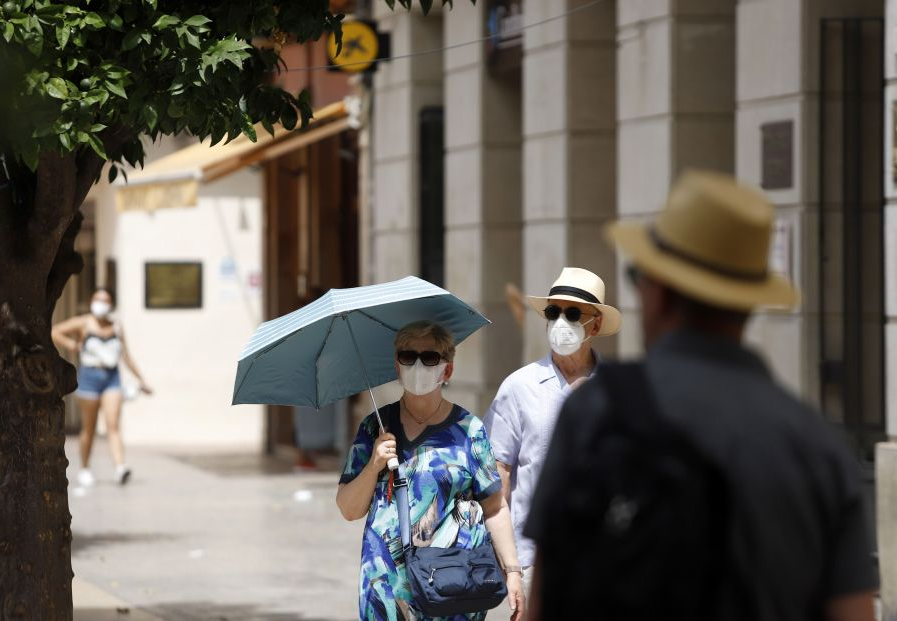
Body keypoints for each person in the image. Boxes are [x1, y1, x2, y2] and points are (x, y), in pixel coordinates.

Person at [525, 170, 878, 620]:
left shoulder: (597, 410)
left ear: (659, 293)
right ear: (747, 301)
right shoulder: (819, 449)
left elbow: (548, 596)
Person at [336, 320, 525, 621]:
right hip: (386, 587)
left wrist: (513, 571)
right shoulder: (375, 428)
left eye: (430, 357)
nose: (418, 365)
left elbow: (495, 508)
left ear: (447, 369)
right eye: (408, 356)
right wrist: (373, 464)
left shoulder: (469, 431)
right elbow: (348, 508)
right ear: (397, 366)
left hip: (453, 585)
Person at [483, 267, 620, 595]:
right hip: (535, 562)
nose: (561, 321)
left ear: (596, 324)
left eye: (573, 313)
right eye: (553, 311)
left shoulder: (617, 390)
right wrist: (508, 561)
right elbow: (497, 470)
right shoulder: (518, 386)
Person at [52, 288, 152, 486]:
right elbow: (55, 331)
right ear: (91, 301)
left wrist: (142, 380)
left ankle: (120, 467)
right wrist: (72, 346)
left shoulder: (116, 326)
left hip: (112, 377)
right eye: (97, 299)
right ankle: (85, 468)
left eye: (105, 300)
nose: (101, 303)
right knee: (88, 428)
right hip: (89, 377)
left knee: (113, 425)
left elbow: (127, 356)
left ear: (111, 304)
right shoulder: (84, 322)